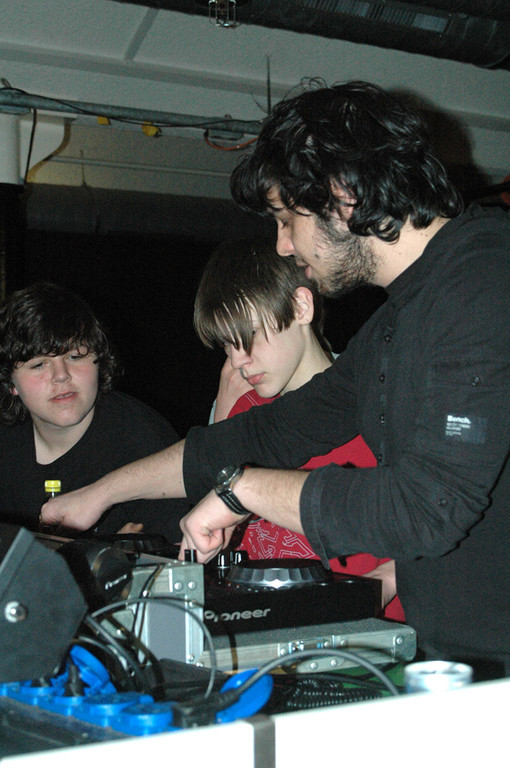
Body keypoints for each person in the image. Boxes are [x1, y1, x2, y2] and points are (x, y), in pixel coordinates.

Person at [40, 81, 510, 678]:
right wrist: (100, 494)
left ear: (342, 195)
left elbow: (426, 506)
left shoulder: (485, 278)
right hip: (457, 665)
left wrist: (246, 491)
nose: (284, 246)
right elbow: (269, 433)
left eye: (287, 219)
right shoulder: (401, 316)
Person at [195, 237, 403, 620]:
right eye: (227, 346)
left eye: (249, 336)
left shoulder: (380, 410)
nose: (238, 361)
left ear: (301, 307)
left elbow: (429, 534)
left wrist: (376, 590)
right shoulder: (244, 410)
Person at [0, 281, 189, 542]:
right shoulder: (6, 443)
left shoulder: (143, 438)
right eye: (39, 364)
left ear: (100, 361)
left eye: (75, 356)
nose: (61, 376)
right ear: (10, 383)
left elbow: (180, 554)